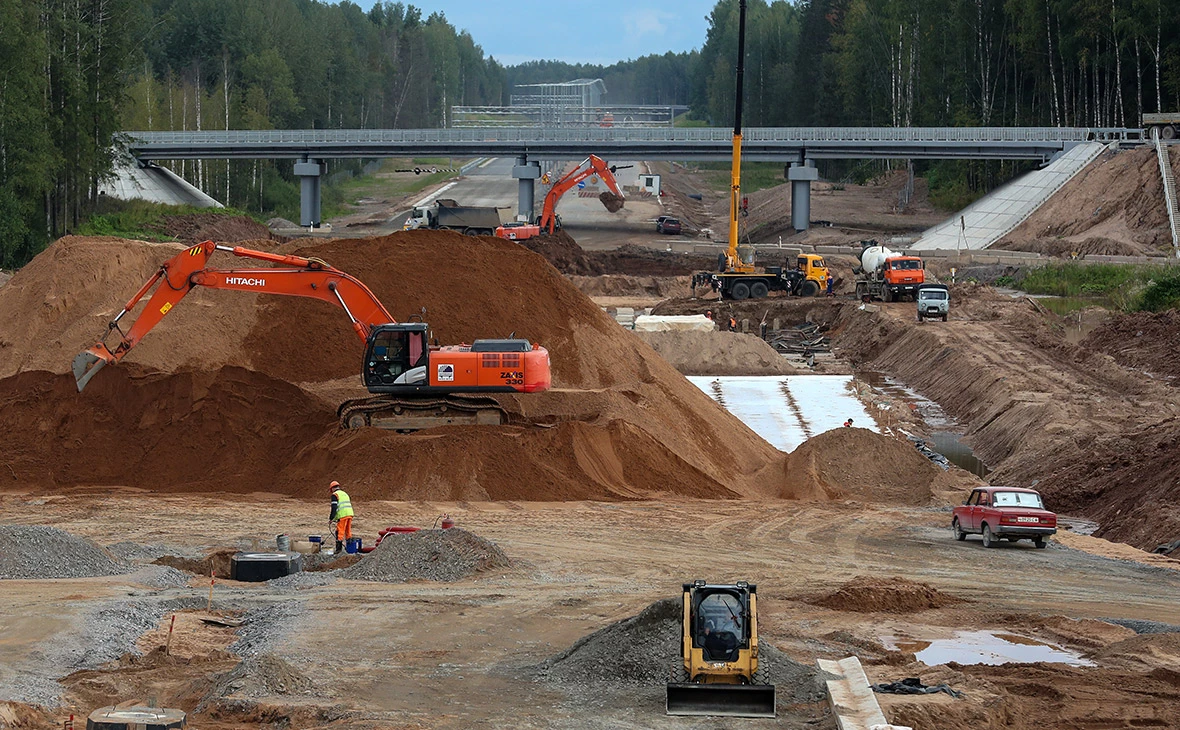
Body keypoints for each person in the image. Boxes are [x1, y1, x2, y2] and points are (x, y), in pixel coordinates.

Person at [328, 480, 354, 553]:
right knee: (348, 532)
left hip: (343, 515)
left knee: (340, 532)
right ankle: (351, 549)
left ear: (332, 488)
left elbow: (334, 507)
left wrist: (331, 518)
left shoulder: (335, 495)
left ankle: (338, 550)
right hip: (350, 514)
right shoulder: (344, 493)